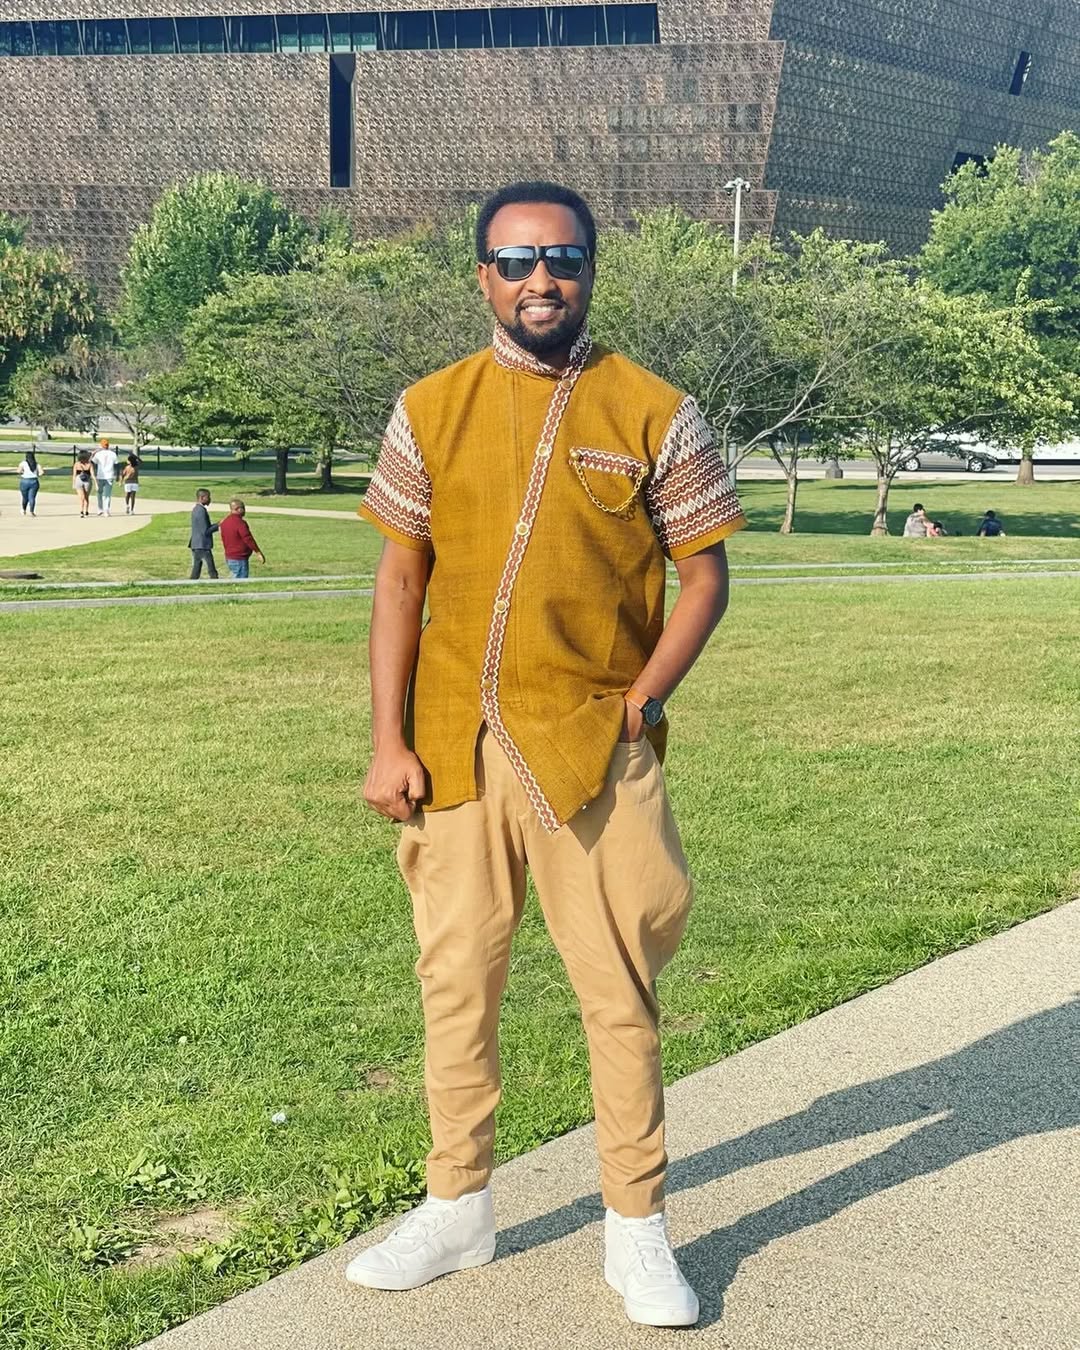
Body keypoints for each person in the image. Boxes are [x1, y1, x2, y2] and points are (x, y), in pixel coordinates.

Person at [348, 181, 747, 1329]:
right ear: (481, 274)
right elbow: (400, 580)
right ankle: (456, 1207)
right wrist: (388, 740)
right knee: (455, 986)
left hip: (592, 752)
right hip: (457, 753)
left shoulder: (653, 412)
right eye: (516, 261)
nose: (540, 281)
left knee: (617, 991)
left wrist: (643, 700)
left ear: (590, 271)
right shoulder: (430, 408)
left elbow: (706, 577)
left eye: (561, 259)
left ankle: (637, 1229)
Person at [218, 498, 265, 578]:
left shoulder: (225, 522)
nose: (244, 510)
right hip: (239, 557)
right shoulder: (240, 523)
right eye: (243, 508)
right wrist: (257, 551)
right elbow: (248, 538)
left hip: (229, 556)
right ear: (238, 509)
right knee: (240, 581)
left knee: (235, 577)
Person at [188, 488, 219, 579]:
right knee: (211, 569)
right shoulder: (201, 511)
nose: (210, 499)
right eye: (208, 497)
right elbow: (206, 531)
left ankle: (192, 583)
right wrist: (218, 525)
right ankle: (216, 583)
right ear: (202, 497)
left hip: (196, 544)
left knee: (196, 568)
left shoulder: (196, 509)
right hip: (202, 545)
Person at [91, 438, 118, 516]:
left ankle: (101, 509)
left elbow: (92, 462)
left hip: (102, 476)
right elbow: (117, 465)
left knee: (100, 493)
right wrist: (117, 475)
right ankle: (104, 510)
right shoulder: (112, 454)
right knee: (107, 494)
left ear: (101, 445)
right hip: (107, 475)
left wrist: (93, 454)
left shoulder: (99, 454)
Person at [17, 449, 44, 516]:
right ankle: (31, 511)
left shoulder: (23, 463)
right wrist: (37, 475)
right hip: (34, 481)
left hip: (24, 481)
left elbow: (18, 471)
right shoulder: (36, 464)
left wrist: (23, 472)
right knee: (32, 497)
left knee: (25, 497)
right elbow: (41, 472)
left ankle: (23, 509)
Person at [72, 450, 95, 517]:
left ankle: (86, 510)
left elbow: (93, 474)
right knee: (82, 497)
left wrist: (96, 483)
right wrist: (73, 483)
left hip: (86, 481)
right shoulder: (77, 464)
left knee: (86, 497)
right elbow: (74, 475)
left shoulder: (89, 464)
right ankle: (82, 510)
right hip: (80, 481)